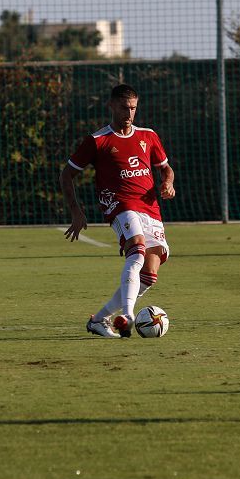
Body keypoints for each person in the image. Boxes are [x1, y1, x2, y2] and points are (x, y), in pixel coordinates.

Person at [60, 83, 176, 338]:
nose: (129, 113)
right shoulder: (97, 141)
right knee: (136, 251)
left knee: (149, 272)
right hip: (120, 205)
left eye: (133, 108)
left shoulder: (148, 136)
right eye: (124, 107)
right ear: (111, 106)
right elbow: (67, 175)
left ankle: (100, 319)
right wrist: (76, 211)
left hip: (150, 207)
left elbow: (165, 168)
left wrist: (168, 183)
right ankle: (129, 315)